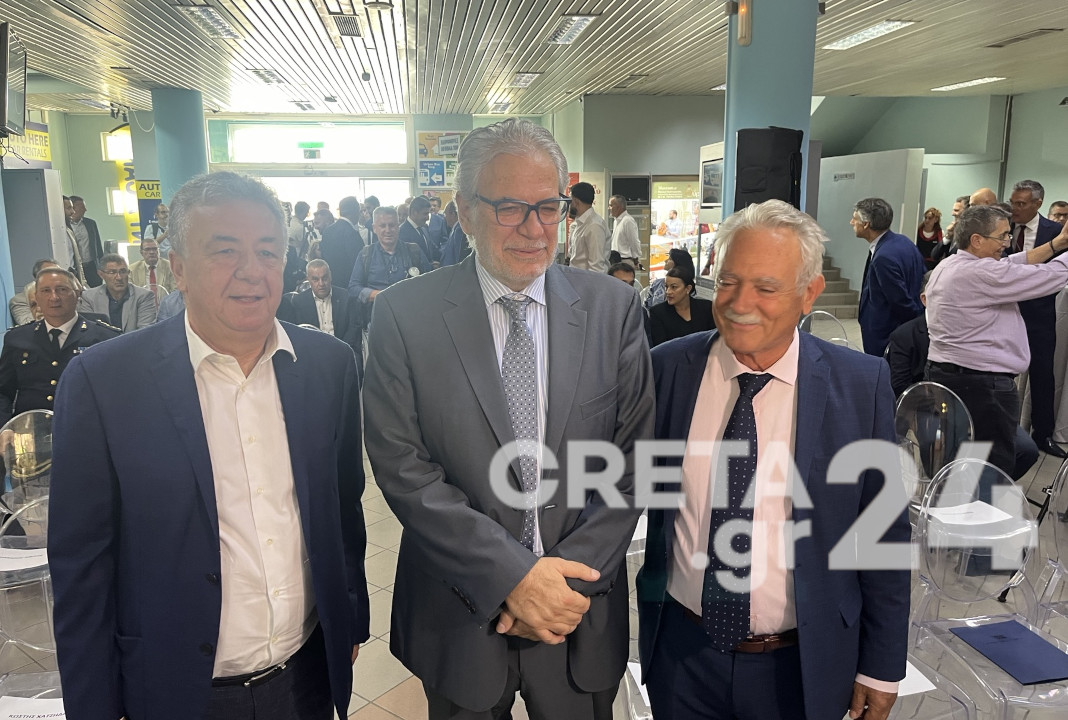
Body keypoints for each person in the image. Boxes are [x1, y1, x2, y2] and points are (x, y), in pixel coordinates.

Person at [49, 171, 370, 720]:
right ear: (177, 267)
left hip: (306, 677)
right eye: (225, 251)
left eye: (267, 252)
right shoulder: (105, 382)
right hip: (178, 689)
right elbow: (82, 566)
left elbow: (343, 507)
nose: (251, 271)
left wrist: (350, 620)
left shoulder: (328, 366)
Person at [363, 118, 655, 720]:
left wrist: (558, 589)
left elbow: (632, 465)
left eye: (547, 208)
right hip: (461, 612)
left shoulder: (613, 309)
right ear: (465, 212)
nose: (533, 228)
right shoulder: (405, 315)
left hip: (577, 614)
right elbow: (403, 467)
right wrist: (513, 580)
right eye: (509, 208)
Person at [638, 199, 910, 720]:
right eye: (728, 282)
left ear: (809, 293)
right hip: (682, 654)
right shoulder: (668, 369)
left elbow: (882, 533)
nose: (740, 303)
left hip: (802, 664)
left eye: (766, 288)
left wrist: (880, 665)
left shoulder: (860, 383)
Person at [925, 204, 1068, 477]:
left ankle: (958, 499)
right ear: (977, 240)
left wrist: (1057, 244)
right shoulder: (982, 273)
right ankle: (982, 502)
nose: (1007, 242)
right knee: (993, 464)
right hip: (982, 386)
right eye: (1002, 236)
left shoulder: (951, 263)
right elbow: (1050, 277)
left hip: (953, 376)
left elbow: (1011, 263)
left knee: (962, 457)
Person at [886, 272, 1039, 480]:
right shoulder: (905, 335)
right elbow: (900, 385)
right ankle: (945, 488)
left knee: (1026, 449)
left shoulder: (974, 332)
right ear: (925, 299)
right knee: (940, 450)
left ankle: (981, 489)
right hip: (930, 408)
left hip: (980, 401)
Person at [0, 267, 120, 424]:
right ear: (36, 297)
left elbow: (118, 392)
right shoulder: (17, 338)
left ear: (77, 294)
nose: (54, 297)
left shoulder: (105, 338)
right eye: (45, 291)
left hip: (86, 427)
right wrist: (5, 427)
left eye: (62, 290)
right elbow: (3, 391)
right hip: (31, 430)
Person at [1007, 179, 1067, 458]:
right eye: (1013, 202)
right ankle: (1001, 430)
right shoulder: (1001, 227)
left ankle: (1043, 434)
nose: (1015, 209)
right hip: (1003, 312)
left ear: (1038, 203)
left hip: (1039, 316)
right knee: (999, 373)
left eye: (1021, 204)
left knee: (1043, 375)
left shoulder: (1055, 232)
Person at [852, 198, 925, 357]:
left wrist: (915, 321)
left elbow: (900, 300)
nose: (852, 223)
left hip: (887, 335)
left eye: (855, 219)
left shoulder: (883, 257)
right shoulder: (904, 242)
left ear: (866, 224)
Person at [348, 206, 432, 313]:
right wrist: (380, 296)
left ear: (398, 226)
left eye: (392, 225)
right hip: (377, 316)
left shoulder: (414, 251)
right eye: (382, 226)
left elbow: (430, 283)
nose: (388, 230)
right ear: (374, 228)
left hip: (410, 315)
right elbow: (353, 288)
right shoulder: (365, 254)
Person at [277, 258, 363, 360]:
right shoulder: (298, 302)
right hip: (312, 354)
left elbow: (353, 330)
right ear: (308, 280)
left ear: (330, 276)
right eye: (315, 279)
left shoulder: (346, 298)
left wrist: (340, 350)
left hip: (343, 350)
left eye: (324, 278)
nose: (321, 283)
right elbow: (298, 334)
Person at [77, 253, 157, 331]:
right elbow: (88, 331)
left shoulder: (144, 296)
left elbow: (145, 332)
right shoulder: (89, 297)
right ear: (101, 274)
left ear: (128, 273)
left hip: (135, 340)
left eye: (123, 271)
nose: (119, 277)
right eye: (112, 272)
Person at [646, 266, 715, 347]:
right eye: (666, 287)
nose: (668, 292)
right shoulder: (658, 312)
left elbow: (713, 338)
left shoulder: (706, 308)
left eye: (674, 287)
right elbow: (660, 347)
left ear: (688, 289)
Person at [318, 195, 368, 288]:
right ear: (355, 211)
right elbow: (358, 262)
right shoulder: (352, 233)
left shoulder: (327, 231)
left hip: (332, 283)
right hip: (349, 284)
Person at [567, 182, 610, 272]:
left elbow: (596, 267)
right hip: (576, 277)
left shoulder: (594, 226)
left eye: (570, 201)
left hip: (586, 279)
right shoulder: (579, 223)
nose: (568, 205)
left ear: (576, 202)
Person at [9, 259, 59, 325]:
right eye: (51, 273)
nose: (39, 309)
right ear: (37, 277)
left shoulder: (65, 295)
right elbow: (27, 325)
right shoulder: (20, 300)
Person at [69, 195, 104, 287]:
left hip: (92, 267)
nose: (85, 210)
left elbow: (98, 246)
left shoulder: (90, 223)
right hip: (75, 268)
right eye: (82, 207)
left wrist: (101, 265)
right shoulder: (65, 226)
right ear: (73, 208)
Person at [400, 195, 439, 265]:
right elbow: (406, 261)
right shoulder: (401, 232)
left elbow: (433, 249)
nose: (428, 218)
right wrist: (429, 266)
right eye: (425, 214)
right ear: (414, 212)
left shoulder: (424, 228)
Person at [609, 194, 642, 269]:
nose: (609, 208)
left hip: (625, 261)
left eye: (611, 205)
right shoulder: (616, 221)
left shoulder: (628, 221)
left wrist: (636, 260)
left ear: (618, 207)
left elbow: (634, 242)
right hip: (615, 260)